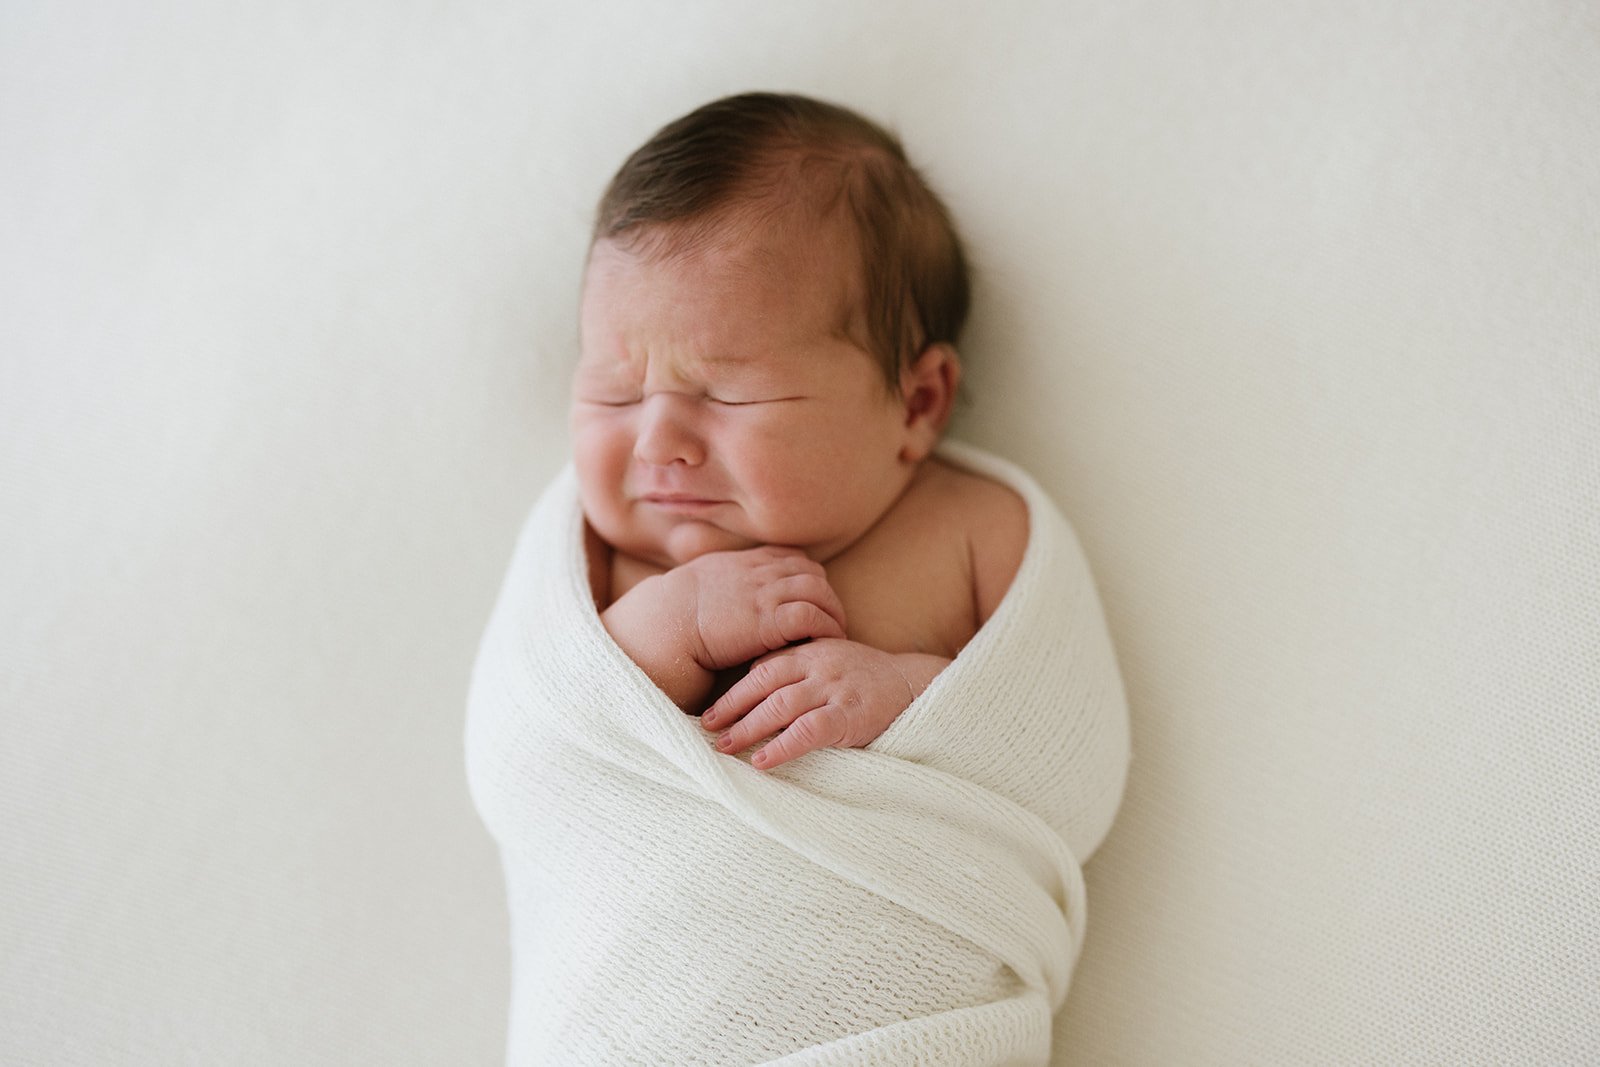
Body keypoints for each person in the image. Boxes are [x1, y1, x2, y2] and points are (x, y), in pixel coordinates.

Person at [571, 91, 1028, 771]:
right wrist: (672, 627)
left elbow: (1053, 735)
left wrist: (908, 693)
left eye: (725, 393)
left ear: (916, 404)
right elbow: (546, 727)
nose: (656, 442)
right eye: (617, 393)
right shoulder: (597, 558)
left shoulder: (974, 530)